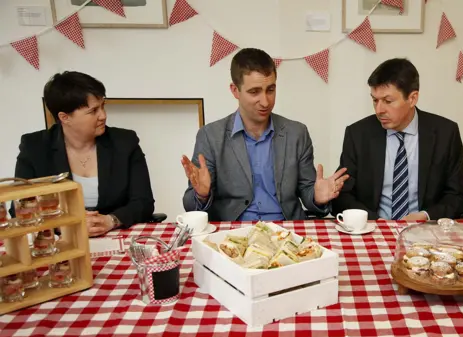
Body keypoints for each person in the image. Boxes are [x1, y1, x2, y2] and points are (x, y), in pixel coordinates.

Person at [181, 48, 348, 221]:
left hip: (286, 230)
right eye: (254, 92)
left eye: (270, 90)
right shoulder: (210, 136)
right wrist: (201, 196)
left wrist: (316, 197)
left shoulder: (297, 133)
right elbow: (190, 205)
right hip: (233, 233)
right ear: (235, 90)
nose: (265, 101)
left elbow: (307, 191)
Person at [15, 71, 155, 237]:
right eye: (93, 111)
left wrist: (111, 220)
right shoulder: (34, 148)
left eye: (103, 106)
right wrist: (68, 225)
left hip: (116, 236)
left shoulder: (125, 142)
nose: (103, 115)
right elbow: (20, 210)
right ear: (65, 117)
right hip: (61, 241)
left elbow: (143, 202)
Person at [332, 58, 463, 221]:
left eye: (388, 101)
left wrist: (425, 216)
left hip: (425, 232)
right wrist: (375, 220)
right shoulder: (358, 134)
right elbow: (343, 196)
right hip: (374, 228)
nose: (379, 110)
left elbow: (458, 197)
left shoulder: (445, 133)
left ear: (412, 98)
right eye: (375, 100)